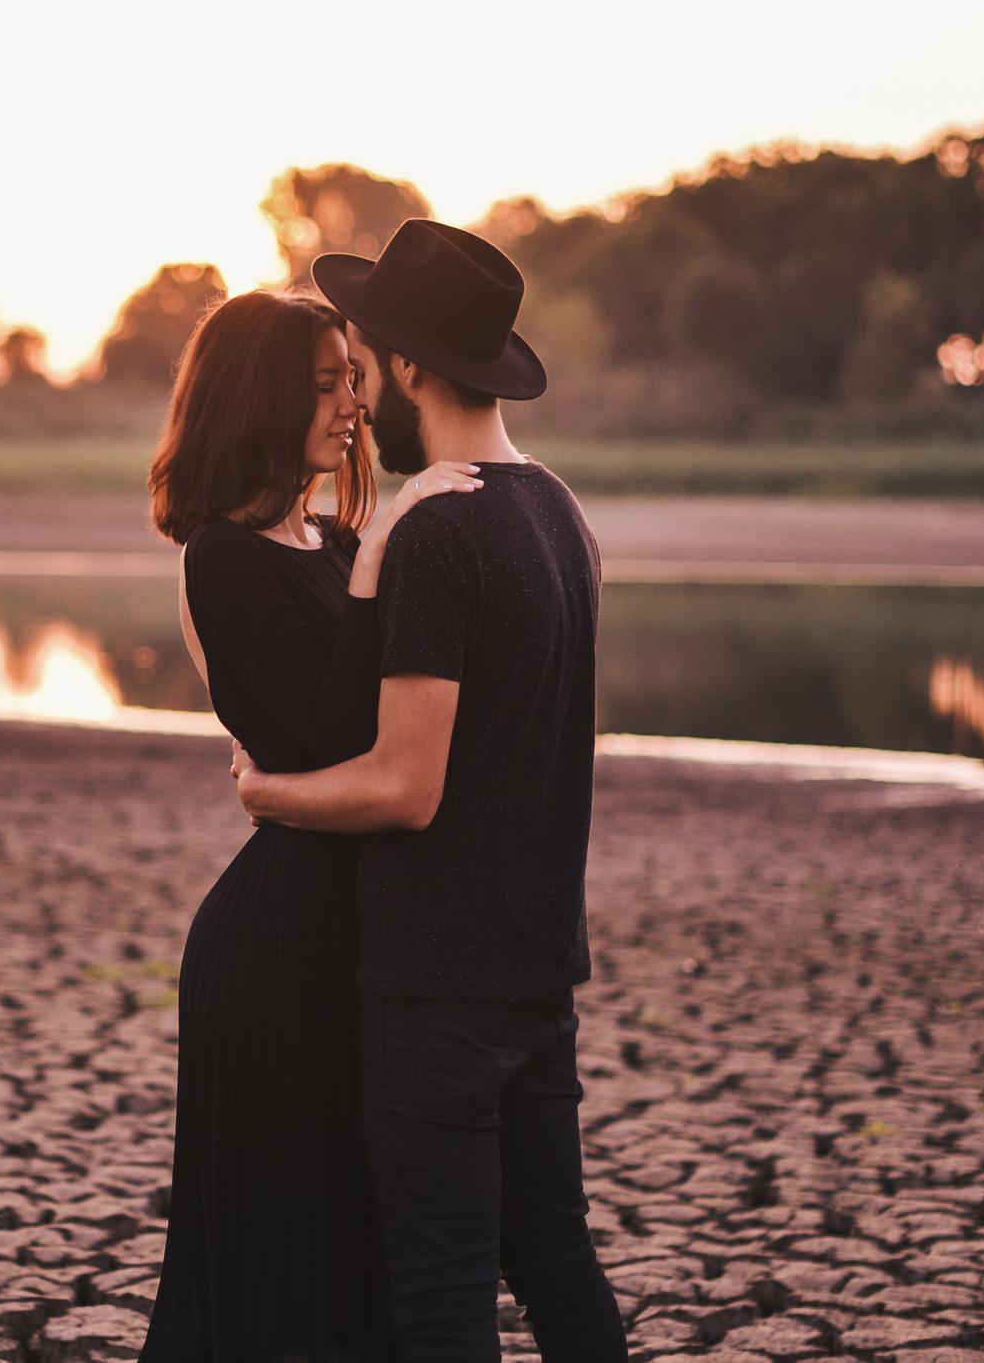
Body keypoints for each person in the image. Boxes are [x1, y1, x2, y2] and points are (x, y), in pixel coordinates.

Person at [235, 220, 628, 1363]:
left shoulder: (439, 532)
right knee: (556, 1257)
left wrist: (268, 792)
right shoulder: (558, 511)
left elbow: (408, 787)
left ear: (409, 368)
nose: (355, 398)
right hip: (537, 968)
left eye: (360, 368)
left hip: (435, 988)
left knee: (440, 1291)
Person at [141, 288, 482, 1363]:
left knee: (354, 1238)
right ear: (259, 396)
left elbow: (397, 731)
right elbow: (316, 738)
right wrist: (380, 559)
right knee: (280, 1246)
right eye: (325, 383)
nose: (353, 404)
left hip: (358, 933)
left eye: (353, 378)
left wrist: (373, 553)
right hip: (279, 949)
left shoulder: (332, 541)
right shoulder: (222, 554)